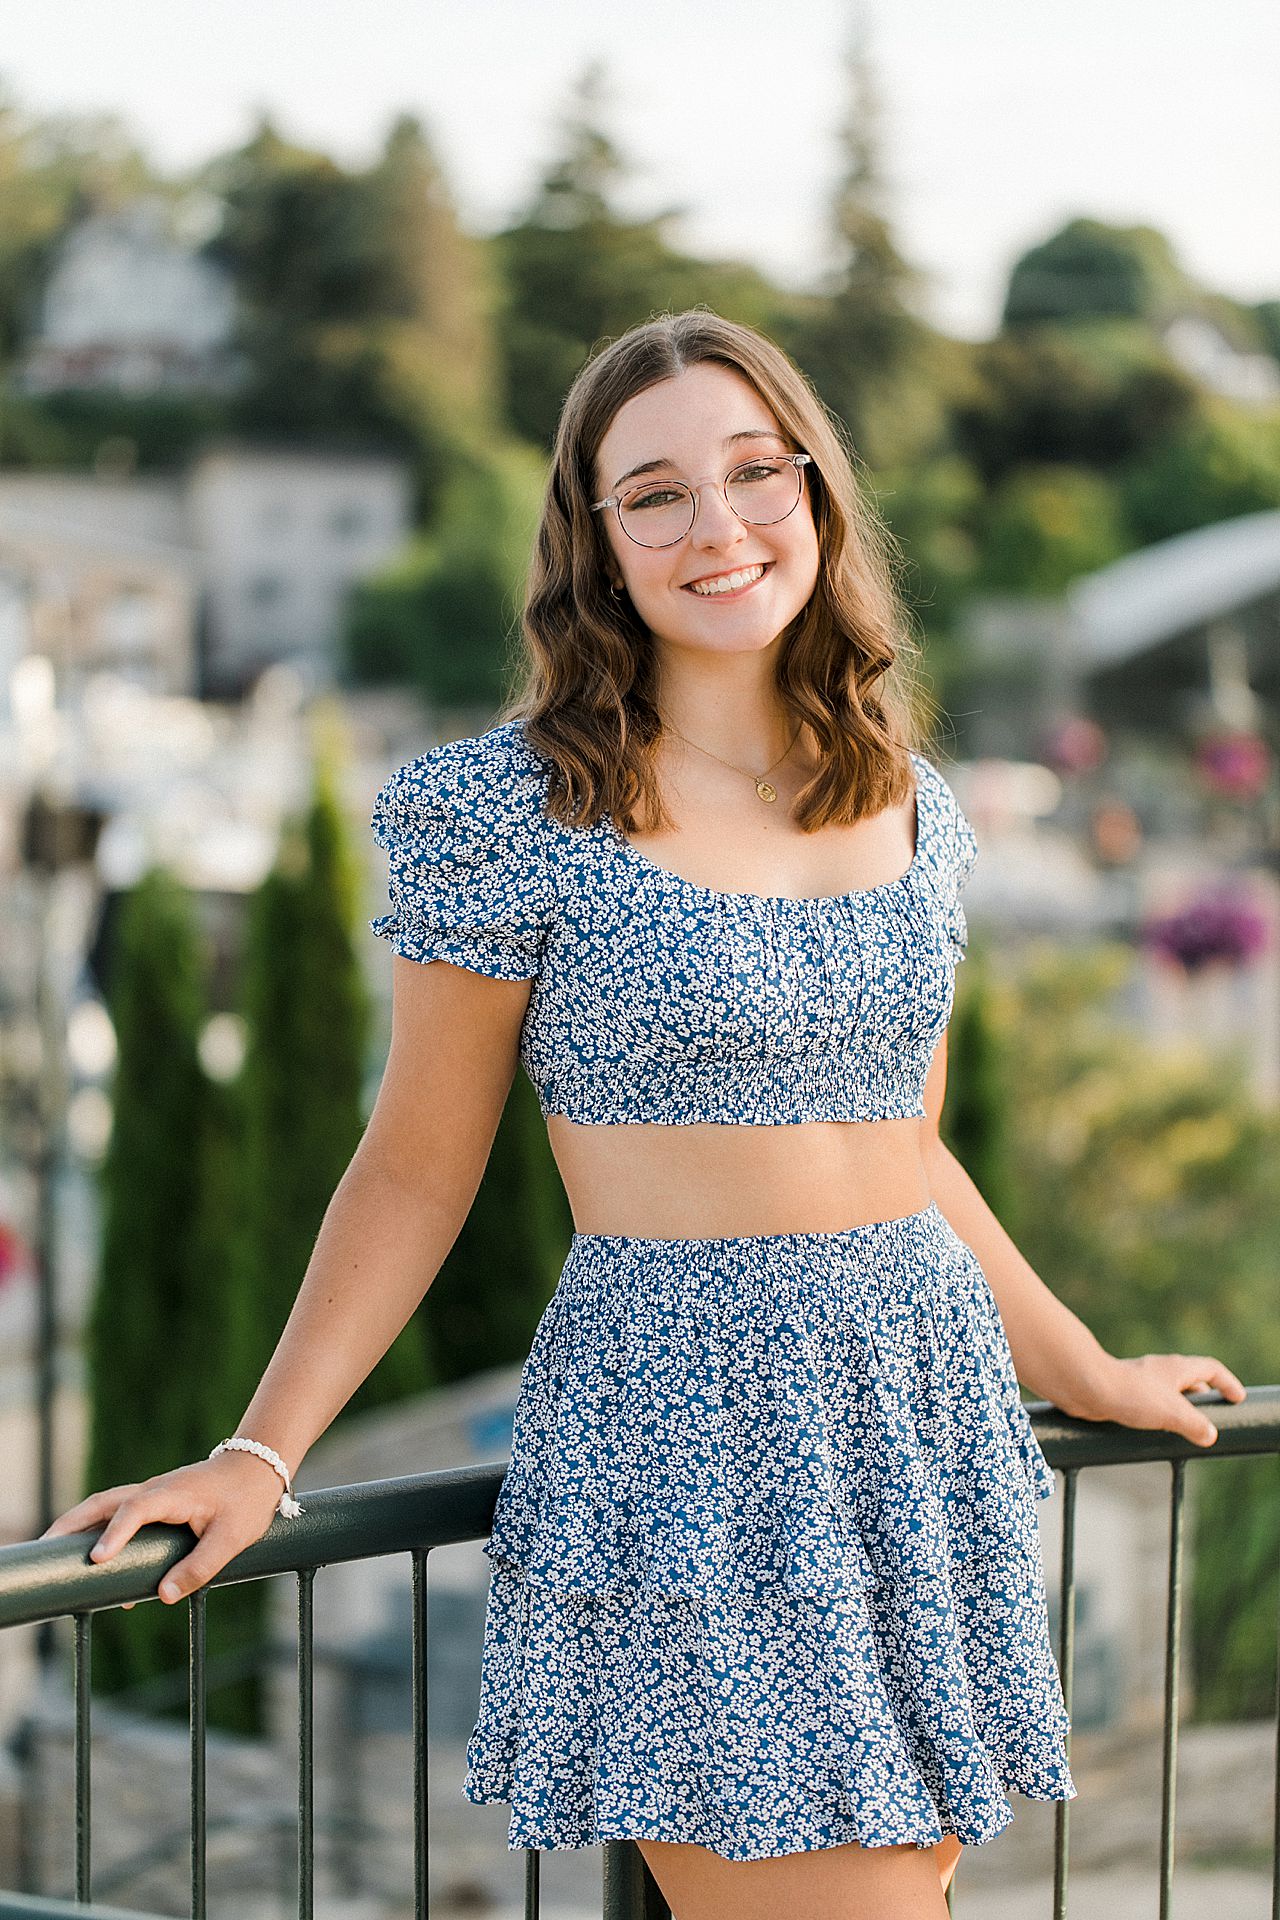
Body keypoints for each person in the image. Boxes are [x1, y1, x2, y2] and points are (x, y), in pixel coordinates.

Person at [44, 310, 1247, 1920]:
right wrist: (264, 1452)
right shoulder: (507, 810)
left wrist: (1082, 1367)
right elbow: (415, 1166)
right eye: (656, 493)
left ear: (817, 497)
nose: (720, 526)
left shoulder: (906, 799)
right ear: (595, 545)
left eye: (757, 472)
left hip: (920, 1410)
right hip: (689, 1437)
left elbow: (906, 1149)